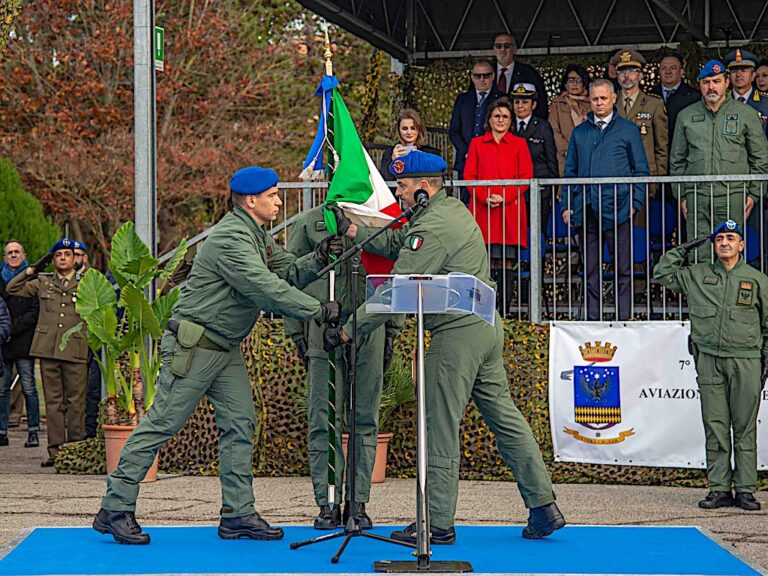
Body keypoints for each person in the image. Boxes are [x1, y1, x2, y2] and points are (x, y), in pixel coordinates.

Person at [91, 167, 344, 545]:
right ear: (250, 200)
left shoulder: (256, 234)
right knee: (162, 423)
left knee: (241, 424)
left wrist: (319, 257)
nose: (278, 201)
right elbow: (265, 288)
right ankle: (115, 507)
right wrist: (317, 310)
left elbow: (287, 271)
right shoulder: (229, 238)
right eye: (273, 195)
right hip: (195, 346)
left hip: (223, 347)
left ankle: (237, 514)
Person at [325, 150, 565, 544]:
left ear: (423, 188)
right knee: (505, 419)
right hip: (484, 328)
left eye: (402, 187)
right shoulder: (449, 212)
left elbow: (398, 288)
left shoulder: (431, 227)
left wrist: (349, 329)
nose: (398, 194)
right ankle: (543, 505)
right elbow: (401, 240)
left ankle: (436, 523)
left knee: (438, 425)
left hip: (455, 334)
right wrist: (355, 231)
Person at [284, 204, 393, 530]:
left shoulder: (376, 220)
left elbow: (392, 275)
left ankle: (357, 503)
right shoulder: (309, 223)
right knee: (323, 420)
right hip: (321, 329)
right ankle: (328, 503)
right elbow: (289, 278)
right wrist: (296, 331)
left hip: (370, 331)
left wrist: (393, 330)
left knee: (364, 420)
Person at [653, 220, 766, 512]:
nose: (724, 243)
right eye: (719, 239)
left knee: (744, 427)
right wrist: (685, 248)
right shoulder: (697, 275)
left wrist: (764, 359)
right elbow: (661, 274)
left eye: (731, 238)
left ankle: (745, 490)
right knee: (715, 424)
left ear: (742, 245)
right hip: (709, 360)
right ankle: (718, 489)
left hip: (746, 360)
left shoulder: (757, 280)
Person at [562, 79, 650, 321]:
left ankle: (623, 320)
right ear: (589, 100)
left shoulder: (628, 130)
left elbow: (641, 170)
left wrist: (635, 204)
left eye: (603, 98)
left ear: (614, 99)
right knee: (590, 269)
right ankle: (593, 321)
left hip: (620, 208)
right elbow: (569, 171)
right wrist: (567, 206)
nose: (599, 103)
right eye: (594, 99)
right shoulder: (580, 132)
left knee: (623, 268)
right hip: (587, 209)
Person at [670, 60, 768, 262]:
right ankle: (701, 294)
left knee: (730, 254)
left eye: (716, 81)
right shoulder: (686, 116)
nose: (711, 87)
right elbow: (677, 161)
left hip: (733, 196)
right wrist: (682, 196)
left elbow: (760, 157)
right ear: (699, 85)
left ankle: (730, 295)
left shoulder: (746, 114)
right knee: (699, 255)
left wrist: (753, 194)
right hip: (697, 196)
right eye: (706, 82)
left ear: (726, 83)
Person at [6, 238, 89, 467]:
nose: (62, 258)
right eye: (58, 255)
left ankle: (76, 450)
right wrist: (32, 269)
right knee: (54, 404)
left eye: (67, 254)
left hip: (75, 350)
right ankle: (56, 453)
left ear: (75, 259)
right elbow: (12, 288)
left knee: (76, 403)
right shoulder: (43, 282)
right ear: (53, 260)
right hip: (49, 350)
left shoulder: (86, 283)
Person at [464, 96, 533, 316]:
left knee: (507, 263)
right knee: (483, 264)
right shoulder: (477, 144)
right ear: (489, 119)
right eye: (497, 116)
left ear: (511, 120)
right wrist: (485, 197)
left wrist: (504, 196)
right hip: (482, 212)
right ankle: (483, 310)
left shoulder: (519, 144)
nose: (500, 120)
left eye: (505, 116)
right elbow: (469, 176)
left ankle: (503, 311)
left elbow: (526, 176)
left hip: (509, 212)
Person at [613, 49, 668, 204]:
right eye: (622, 71)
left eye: (632, 70)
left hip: (644, 176)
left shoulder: (654, 104)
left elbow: (661, 146)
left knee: (641, 225)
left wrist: (658, 178)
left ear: (640, 75)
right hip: (616, 174)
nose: (626, 75)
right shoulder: (610, 104)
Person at [0, 241, 41, 449]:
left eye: (17, 252)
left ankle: (33, 430)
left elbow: (35, 311)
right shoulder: (0, 279)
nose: (13, 255)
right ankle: (2, 430)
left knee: (29, 386)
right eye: (9, 253)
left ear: (23, 255)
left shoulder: (32, 278)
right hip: (3, 342)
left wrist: (13, 329)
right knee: (2, 388)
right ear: (5, 257)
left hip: (24, 339)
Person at [448, 60, 505, 204]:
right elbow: (453, 131)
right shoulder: (462, 100)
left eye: (486, 75)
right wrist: (468, 152)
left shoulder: (503, 99)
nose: (482, 79)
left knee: (492, 204)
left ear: (493, 76)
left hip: (493, 162)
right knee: (467, 206)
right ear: (472, 77)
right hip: (466, 161)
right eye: (477, 76)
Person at [511, 82, 559, 228]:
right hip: (514, 190)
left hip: (539, 189)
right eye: (516, 102)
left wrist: (552, 190)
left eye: (525, 102)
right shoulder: (507, 124)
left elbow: (551, 160)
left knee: (538, 231)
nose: (520, 106)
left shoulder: (543, 126)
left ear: (534, 105)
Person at [492, 33, 548, 118]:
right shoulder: (484, 73)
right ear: (494, 49)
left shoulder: (529, 73)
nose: (502, 49)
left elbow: (540, 103)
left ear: (515, 49)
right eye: (498, 46)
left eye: (507, 46)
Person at [549, 64, 591, 175]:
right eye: (571, 80)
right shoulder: (557, 103)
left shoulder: (593, 103)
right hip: (565, 154)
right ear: (565, 84)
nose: (574, 84)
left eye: (578, 80)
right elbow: (554, 130)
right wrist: (568, 149)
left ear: (584, 84)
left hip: (589, 154)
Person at [650, 54, 700, 145]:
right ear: (659, 72)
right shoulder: (649, 96)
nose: (668, 71)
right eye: (663, 68)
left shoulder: (694, 97)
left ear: (681, 72)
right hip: (657, 152)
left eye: (673, 68)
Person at [379, 109, 439, 184]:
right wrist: (393, 161)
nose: (409, 132)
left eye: (413, 128)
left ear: (419, 129)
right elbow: (386, 181)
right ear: (399, 130)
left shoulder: (431, 153)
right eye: (405, 128)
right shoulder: (389, 154)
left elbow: (436, 181)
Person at [724, 48, 768, 136]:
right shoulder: (722, 103)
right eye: (734, 71)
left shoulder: (766, 103)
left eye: (743, 70)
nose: (738, 74)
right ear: (729, 77)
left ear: (753, 76)